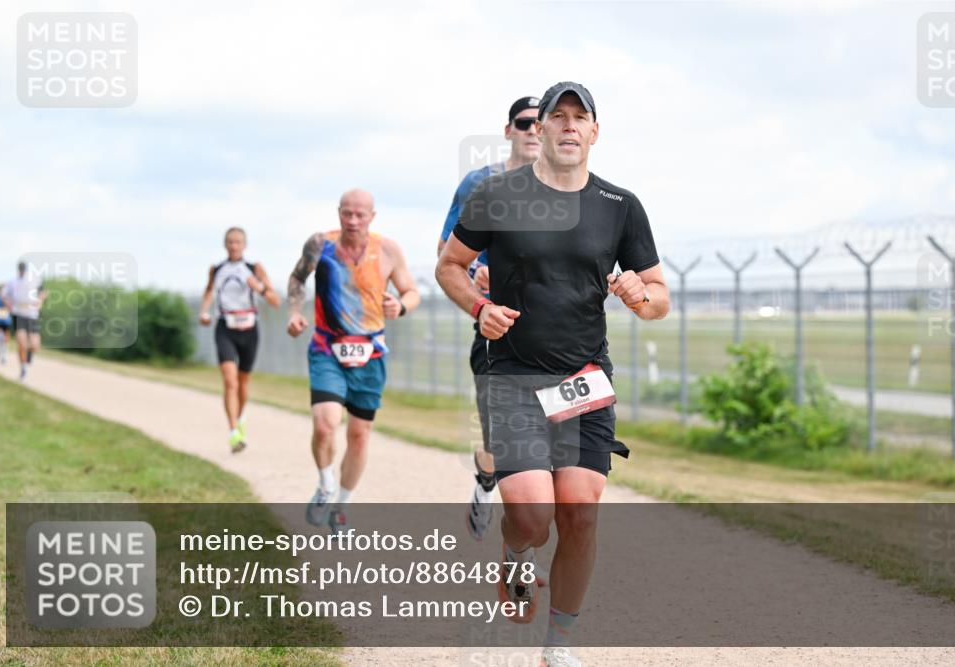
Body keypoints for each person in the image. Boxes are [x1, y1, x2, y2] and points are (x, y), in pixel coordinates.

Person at [436, 82, 670, 667]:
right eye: (556, 116)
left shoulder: (620, 205)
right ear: (538, 130)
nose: (568, 126)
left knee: (580, 511)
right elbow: (449, 266)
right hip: (514, 375)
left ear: (595, 132)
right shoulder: (497, 196)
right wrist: (480, 308)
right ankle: (517, 553)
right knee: (532, 516)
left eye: (579, 117)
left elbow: (659, 297)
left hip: (584, 378)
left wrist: (641, 295)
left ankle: (558, 646)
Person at [439, 95, 542, 541]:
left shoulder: (565, 188)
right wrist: (477, 274)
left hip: (554, 334)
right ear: (508, 130)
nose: (533, 130)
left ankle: (531, 540)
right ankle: (486, 481)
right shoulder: (480, 183)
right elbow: (446, 254)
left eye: (541, 122)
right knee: (500, 442)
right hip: (496, 330)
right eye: (524, 123)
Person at [287, 188, 420, 533]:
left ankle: (342, 507)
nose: (353, 220)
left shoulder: (388, 250)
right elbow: (298, 278)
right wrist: (294, 312)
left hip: (370, 354)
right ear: (338, 212)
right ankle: (325, 483)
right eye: (347, 213)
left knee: (359, 435)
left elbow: (411, 291)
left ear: (372, 216)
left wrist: (401, 305)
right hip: (327, 348)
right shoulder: (320, 244)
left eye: (360, 214)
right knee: (325, 424)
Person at [198, 227, 281, 453]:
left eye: (238, 242)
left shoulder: (254, 268)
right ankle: (234, 432)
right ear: (225, 244)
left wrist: (259, 288)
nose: (234, 246)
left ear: (244, 245)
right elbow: (209, 292)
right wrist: (204, 312)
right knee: (230, 381)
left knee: (243, 382)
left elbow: (275, 301)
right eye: (230, 242)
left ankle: (240, 416)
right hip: (225, 328)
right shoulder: (217, 270)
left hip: (249, 330)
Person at [1, 261, 47, 380]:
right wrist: (7, 303)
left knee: (35, 345)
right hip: (18, 314)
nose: (22, 272)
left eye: (23, 270)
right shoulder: (12, 282)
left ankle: (29, 354)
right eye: (20, 270)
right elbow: (3, 294)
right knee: (21, 342)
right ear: (18, 270)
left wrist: (40, 301)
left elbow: (43, 292)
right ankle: (23, 368)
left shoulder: (34, 280)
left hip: (32, 315)